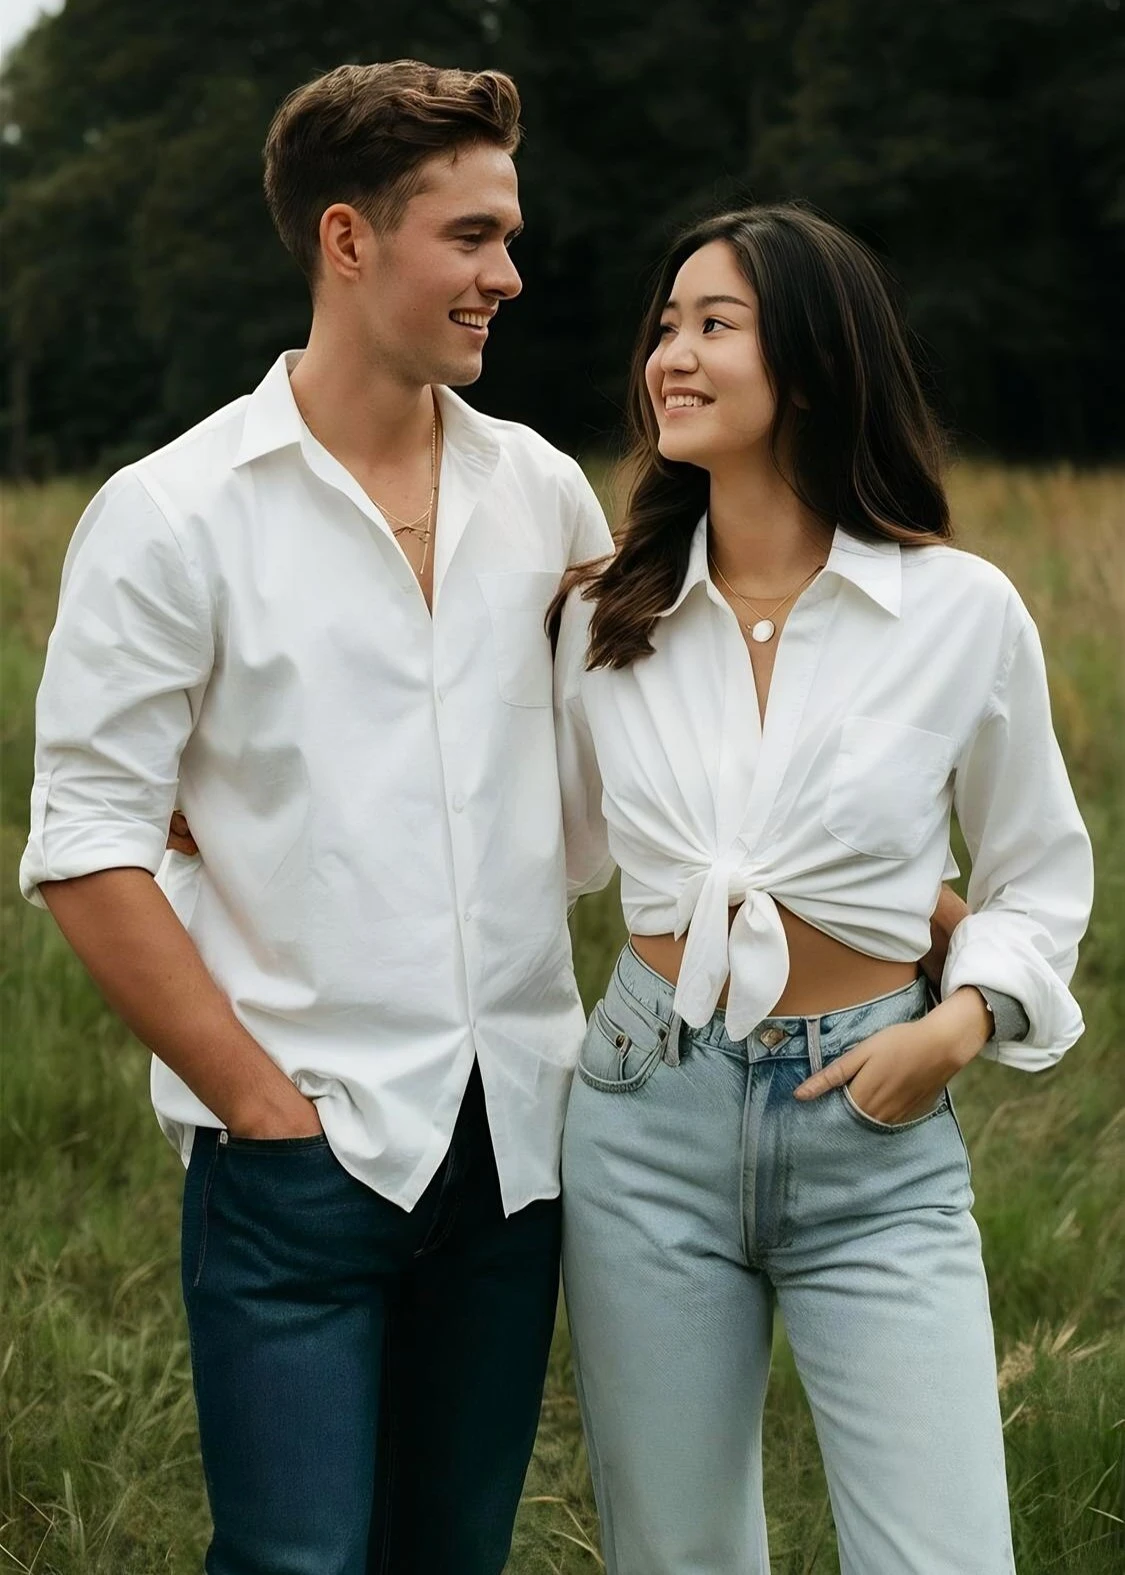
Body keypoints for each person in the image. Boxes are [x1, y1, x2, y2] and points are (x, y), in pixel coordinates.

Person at [18, 60, 615, 1575]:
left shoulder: (543, 495)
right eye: (472, 237)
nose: (509, 274)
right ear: (348, 242)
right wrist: (264, 1107)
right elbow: (86, 841)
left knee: (452, 1554)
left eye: (509, 235)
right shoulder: (173, 513)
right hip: (294, 1152)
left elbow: (628, 792)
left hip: (512, 1146)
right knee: (293, 1565)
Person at [552, 203, 1093, 1574]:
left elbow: (1036, 876)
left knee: (944, 1556)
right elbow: (499, 831)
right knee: (677, 1555)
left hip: (877, 1118)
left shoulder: (959, 611)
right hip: (644, 1114)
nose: (671, 354)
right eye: (664, 327)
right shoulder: (604, 614)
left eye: (714, 324)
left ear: (813, 358)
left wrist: (954, 1028)